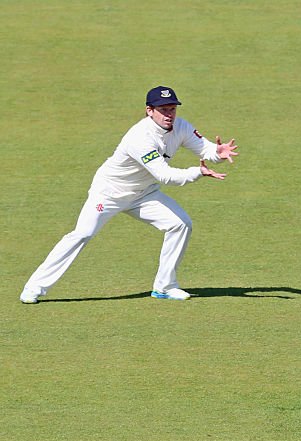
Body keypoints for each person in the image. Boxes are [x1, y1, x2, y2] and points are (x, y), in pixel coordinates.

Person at [20, 86, 238, 303]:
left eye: (172, 108)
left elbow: (205, 148)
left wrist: (217, 154)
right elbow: (165, 176)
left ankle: (165, 286)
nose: (169, 114)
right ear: (149, 110)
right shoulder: (139, 138)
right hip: (109, 193)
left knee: (180, 224)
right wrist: (196, 172)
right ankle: (34, 287)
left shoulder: (180, 126)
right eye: (163, 109)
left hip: (143, 193)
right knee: (83, 234)